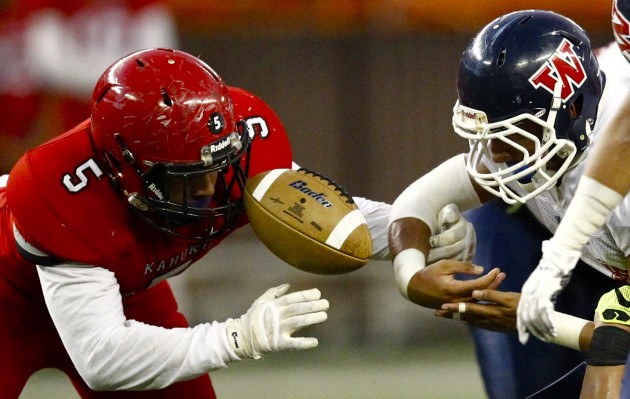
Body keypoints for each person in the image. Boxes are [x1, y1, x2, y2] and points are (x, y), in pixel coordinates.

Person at [0, 47, 471, 398]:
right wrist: (235, 338)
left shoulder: (234, 148)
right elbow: (103, 357)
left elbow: (311, 214)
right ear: (127, 171)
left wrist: (416, 228)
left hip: (125, 288)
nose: (209, 190)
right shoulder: (59, 194)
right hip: (9, 304)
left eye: (216, 168)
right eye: (186, 179)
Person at [386, 9, 630, 399]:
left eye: (514, 134)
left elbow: (616, 338)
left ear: (573, 111)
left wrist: (542, 321)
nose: (496, 154)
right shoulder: (549, 133)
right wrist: (410, 276)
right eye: (495, 133)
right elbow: (422, 198)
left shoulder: (621, 197)